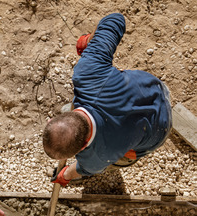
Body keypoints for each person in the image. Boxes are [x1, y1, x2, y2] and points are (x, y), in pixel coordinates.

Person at [42, 13, 172, 186]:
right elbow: (115, 19)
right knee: (68, 107)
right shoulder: (87, 73)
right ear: (51, 120)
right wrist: (91, 43)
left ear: (82, 148)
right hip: (153, 89)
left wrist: (65, 176)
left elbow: (83, 168)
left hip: (159, 130)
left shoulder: (98, 156)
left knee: (124, 158)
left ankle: (130, 154)